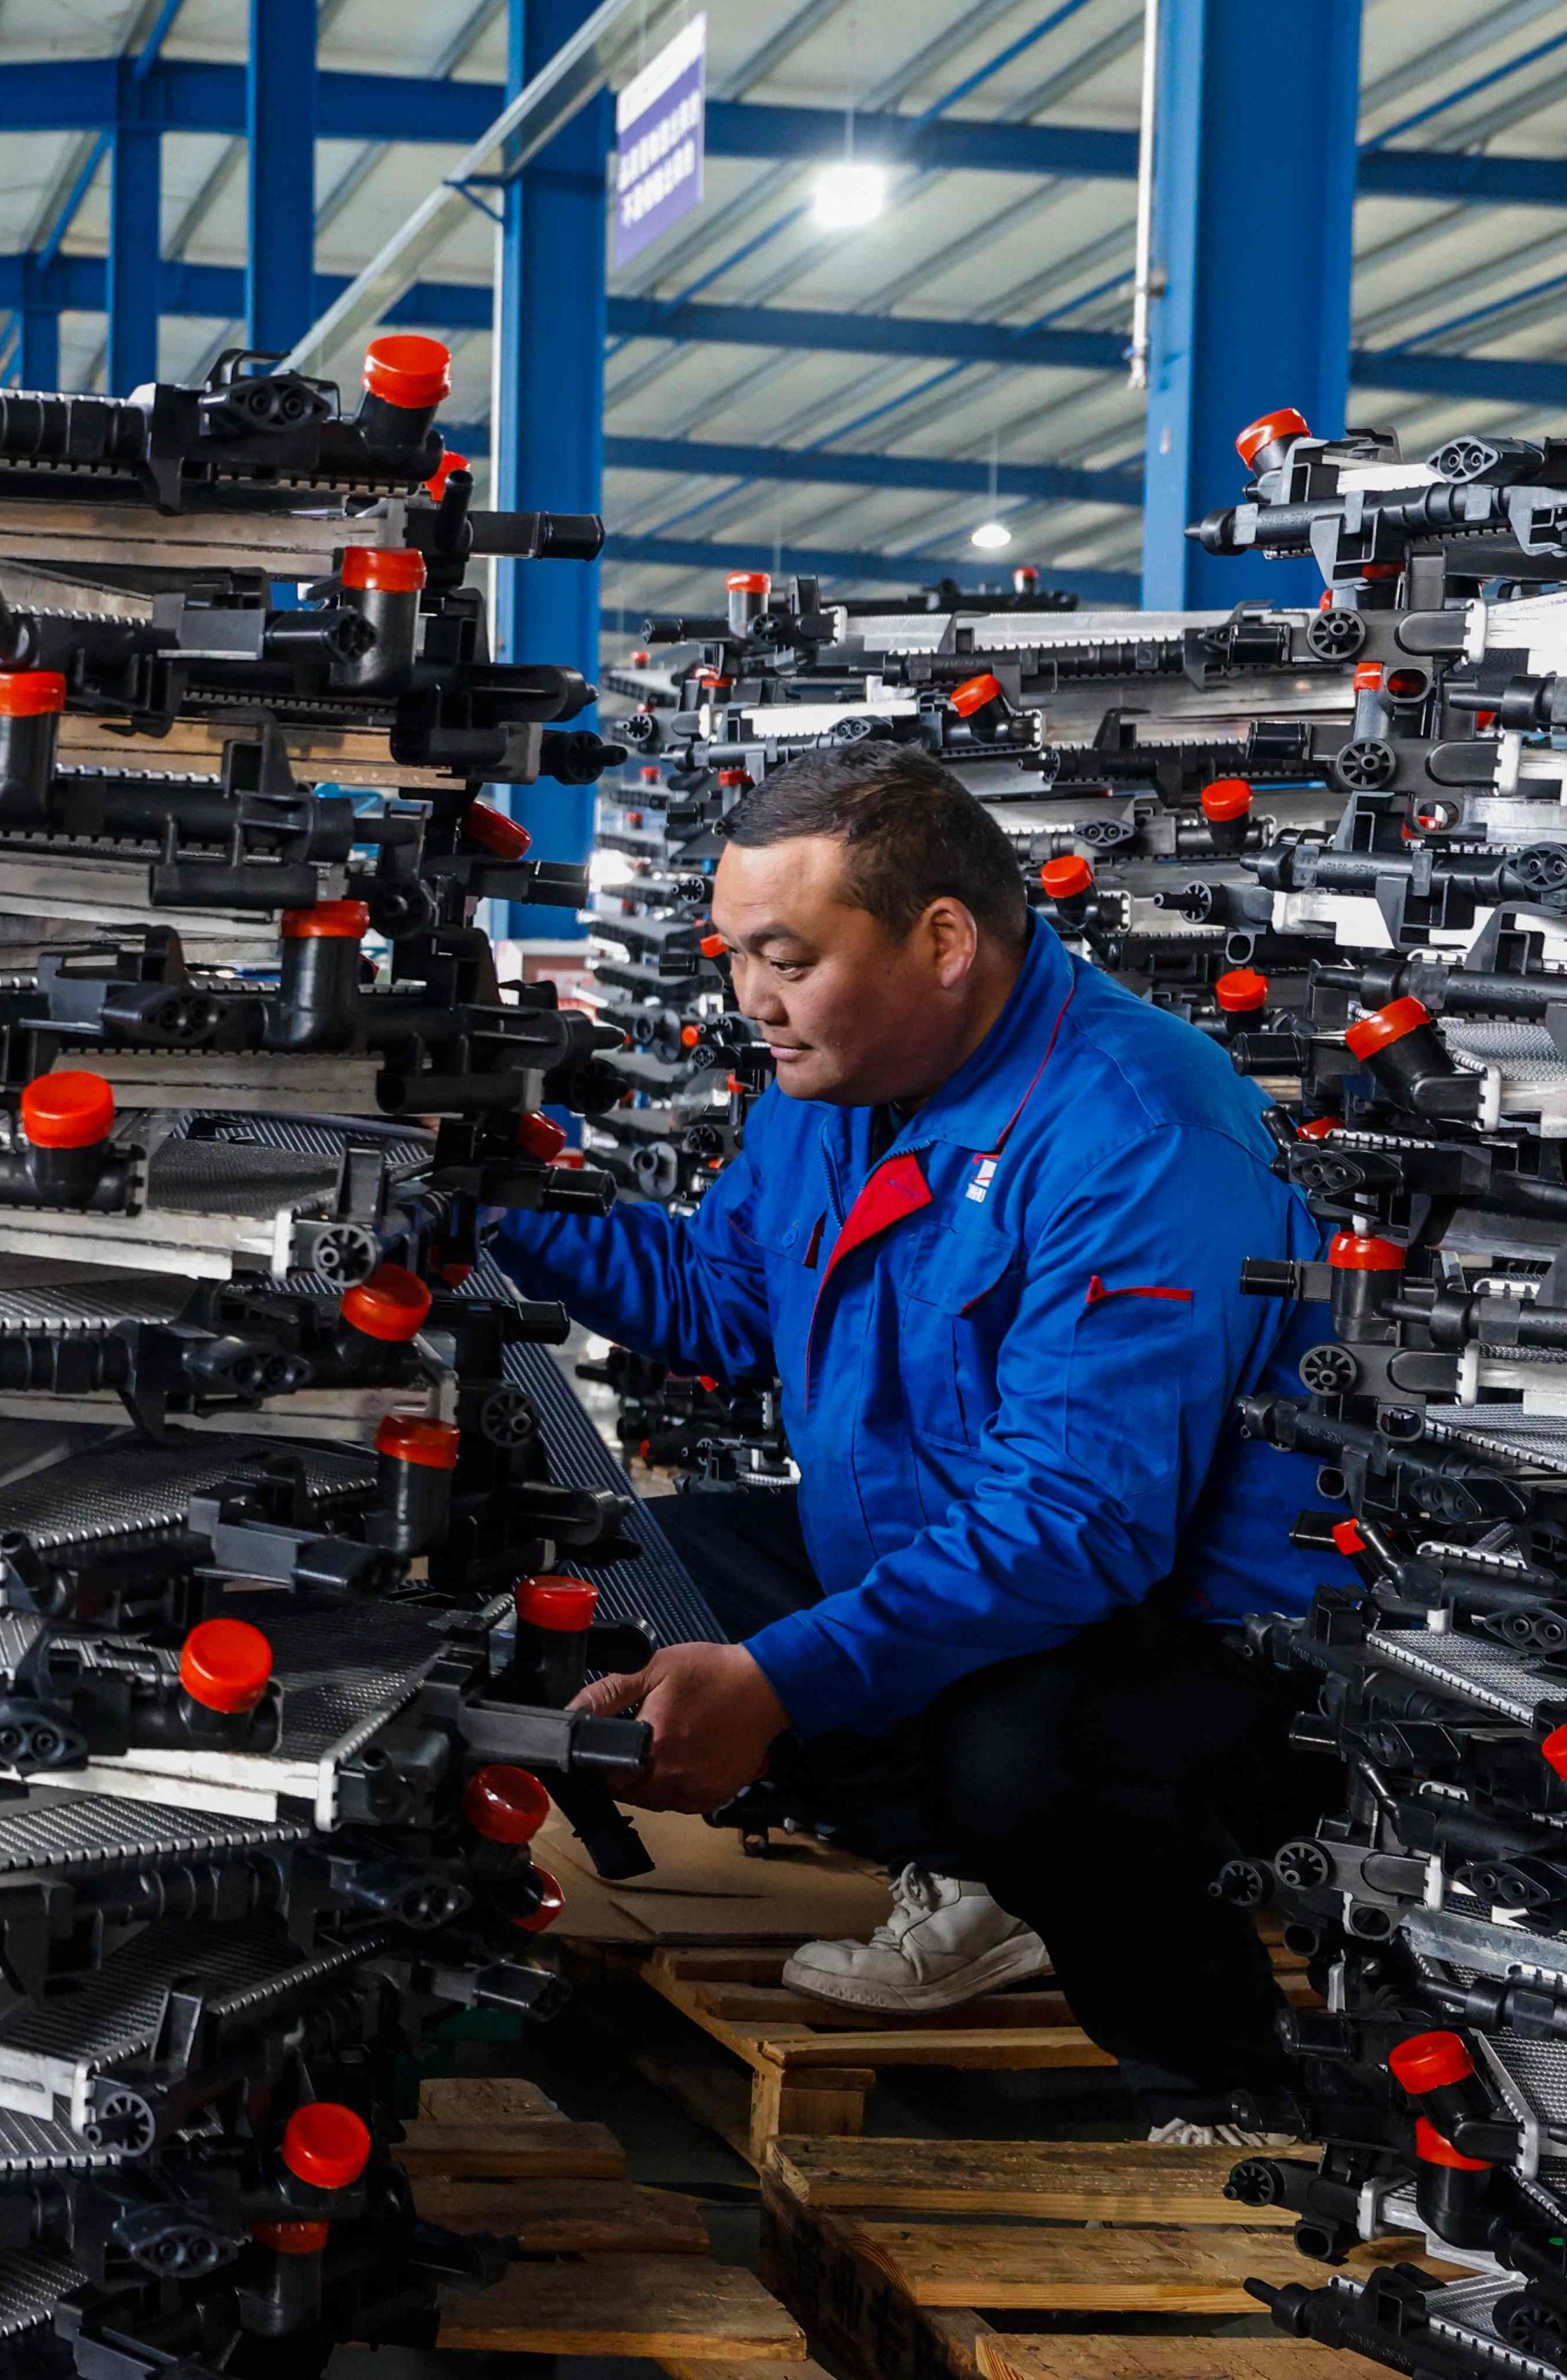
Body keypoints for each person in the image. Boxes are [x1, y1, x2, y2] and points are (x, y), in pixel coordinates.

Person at [495, 742, 1341, 2132]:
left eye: (784, 955)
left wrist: (776, 1678)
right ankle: (968, 1869)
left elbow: (1079, 1524)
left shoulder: (1135, 1129)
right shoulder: (831, 1090)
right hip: (945, 1548)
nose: (747, 999)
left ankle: (1221, 2083)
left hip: (1199, 1635)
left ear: (942, 938)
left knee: (1026, 1763)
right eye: (730, 955)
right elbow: (721, 1300)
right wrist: (484, 1189)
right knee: (598, 1574)